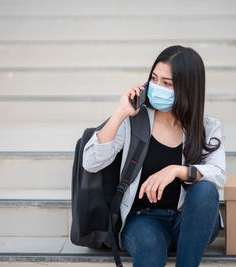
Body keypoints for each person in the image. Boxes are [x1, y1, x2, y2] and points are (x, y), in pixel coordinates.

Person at [82, 45, 226, 267]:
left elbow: (218, 175)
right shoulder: (134, 120)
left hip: (186, 221)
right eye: (154, 79)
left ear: (188, 88)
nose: (157, 87)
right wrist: (121, 112)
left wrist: (176, 170)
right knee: (150, 250)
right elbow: (91, 163)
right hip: (143, 219)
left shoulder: (207, 127)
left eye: (167, 83)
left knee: (205, 190)